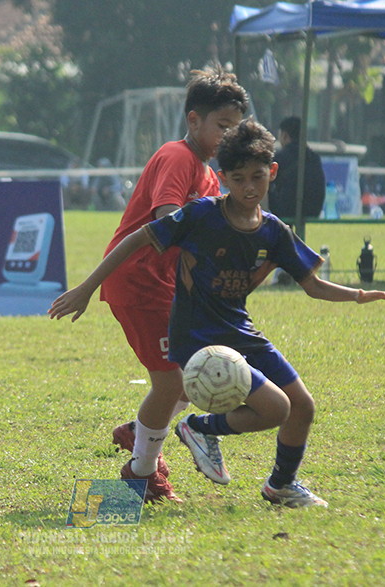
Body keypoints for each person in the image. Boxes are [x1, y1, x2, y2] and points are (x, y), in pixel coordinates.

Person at [50, 118, 385, 508]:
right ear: (223, 178)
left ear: (273, 172)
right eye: (238, 178)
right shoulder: (202, 215)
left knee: (302, 406)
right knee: (275, 407)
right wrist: (87, 287)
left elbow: (312, 285)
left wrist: (359, 294)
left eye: (257, 177)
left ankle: (281, 484)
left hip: (239, 330)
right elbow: (138, 237)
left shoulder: (274, 231)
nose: (249, 187)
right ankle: (196, 428)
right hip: (198, 335)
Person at [86, 68, 249, 502]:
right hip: (137, 282)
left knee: (190, 375)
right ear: (193, 120)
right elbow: (167, 217)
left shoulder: (211, 175)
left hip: (167, 287)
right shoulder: (178, 158)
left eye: (235, 129)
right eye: (222, 127)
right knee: (173, 383)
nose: (227, 137)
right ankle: (141, 475)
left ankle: (141, 432)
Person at [265, 116, 325, 220]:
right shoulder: (314, 157)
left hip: (287, 210)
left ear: (284, 135)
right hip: (314, 210)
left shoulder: (280, 157)